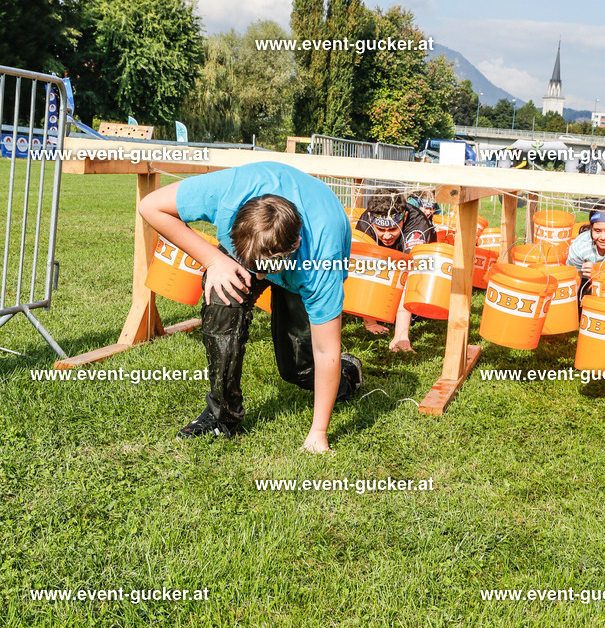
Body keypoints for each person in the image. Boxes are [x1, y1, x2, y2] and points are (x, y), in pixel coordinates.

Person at [138, 161, 363, 452]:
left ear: (293, 247)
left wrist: (318, 433)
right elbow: (150, 207)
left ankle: (348, 375)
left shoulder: (321, 260)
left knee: (298, 367)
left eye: (265, 270)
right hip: (261, 241)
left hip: (308, 253)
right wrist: (215, 260)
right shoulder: (226, 191)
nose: (257, 278)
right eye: (251, 267)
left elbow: (326, 349)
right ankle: (222, 416)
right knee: (223, 297)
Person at [355, 189, 437, 352]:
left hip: (419, 266)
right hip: (384, 261)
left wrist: (401, 336)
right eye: (381, 229)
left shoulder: (418, 225)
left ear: (404, 217)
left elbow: (410, 277)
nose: (386, 236)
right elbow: (363, 269)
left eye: (392, 229)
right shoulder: (365, 221)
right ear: (372, 221)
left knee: (409, 312)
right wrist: (370, 321)